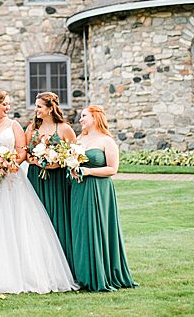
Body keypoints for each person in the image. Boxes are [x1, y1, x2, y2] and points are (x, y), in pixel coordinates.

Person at [0, 89, 76, 294]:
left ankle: (16, 267)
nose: (8, 107)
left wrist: (8, 165)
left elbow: (22, 151)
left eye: (9, 104)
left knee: (12, 221)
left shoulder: (15, 126)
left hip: (10, 179)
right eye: (5, 104)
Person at [68, 105, 137, 292]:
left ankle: (101, 273)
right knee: (80, 229)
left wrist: (89, 171)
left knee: (96, 228)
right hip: (78, 189)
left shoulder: (107, 141)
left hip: (99, 189)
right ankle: (82, 275)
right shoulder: (79, 139)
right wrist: (73, 169)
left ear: (95, 117)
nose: (80, 119)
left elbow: (112, 169)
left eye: (84, 116)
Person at [25, 91, 75, 257]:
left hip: (57, 181)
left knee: (57, 217)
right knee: (36, 218)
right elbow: (26, 153)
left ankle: (63, 261)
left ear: (50, 108)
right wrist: (36, 161)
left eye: (39, 106)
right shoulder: (32, 128)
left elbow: (73, 155)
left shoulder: (64, 129)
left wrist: (55, 162)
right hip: (35, 178)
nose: (36, 110)